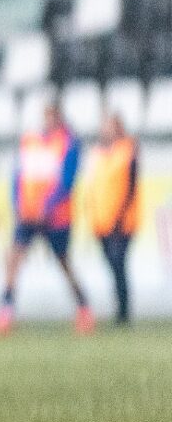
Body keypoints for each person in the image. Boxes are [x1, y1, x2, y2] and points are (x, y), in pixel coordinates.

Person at [0, 102, 92, 336]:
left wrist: (48, 205)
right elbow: (18, 175)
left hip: (56, 217)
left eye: (51, 117)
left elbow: (67, 181)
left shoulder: (68, 143)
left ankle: (84, 307)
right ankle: (5, 310)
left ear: (59, 118)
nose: (47, 121)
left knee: (64, 263)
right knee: (13, 258)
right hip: (29, 213)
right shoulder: (30, 140)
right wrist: (17, 203)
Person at [83, 113, 139, 325]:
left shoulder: (128, 150)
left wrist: (121, 215)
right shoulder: (96, 153)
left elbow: (130, 186)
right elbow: (92, 184)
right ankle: (119, 307)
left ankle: (123, 311)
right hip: (101, 220)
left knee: (119, 263)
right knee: (111, 264)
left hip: (122, 221)